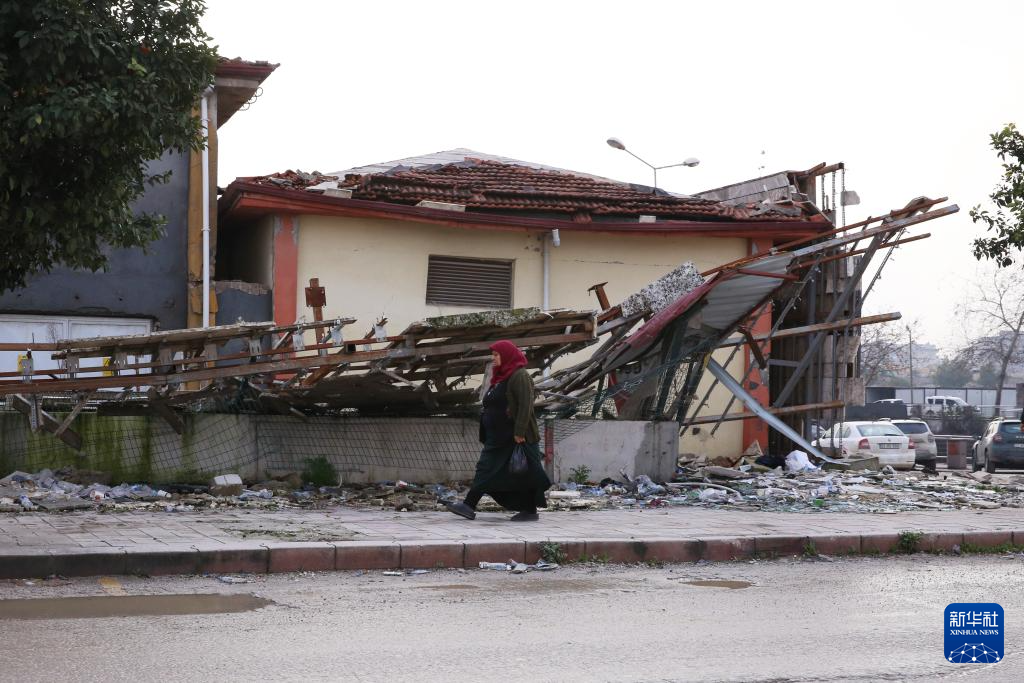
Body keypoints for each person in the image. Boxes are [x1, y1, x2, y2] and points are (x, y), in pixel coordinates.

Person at [445, 340, 551, 521]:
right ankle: (527, 510)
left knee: (508, 471)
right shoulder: (501, 377)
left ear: (507, 356)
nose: (493, 358)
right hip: (499, 438)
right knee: (502, 473)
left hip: (515, 437)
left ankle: (470, 505)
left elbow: (526, 406)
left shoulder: (520, 376)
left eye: (496, 355)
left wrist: (519, 432)